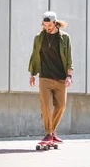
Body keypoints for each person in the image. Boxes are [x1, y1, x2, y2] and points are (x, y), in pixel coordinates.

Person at [28, 11, 73, 144]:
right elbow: (34, 56)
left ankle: (52, 132)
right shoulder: (39, 38)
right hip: (45, 77)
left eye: (49, 25)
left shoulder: (65, 38)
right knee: (46, 106)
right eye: (44, 25)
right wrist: (32, 74)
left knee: (61, 106)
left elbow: (69, 59)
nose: (47, 28)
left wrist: (69, 76)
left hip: (60, 77)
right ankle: (48, 133)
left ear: (55, 23)